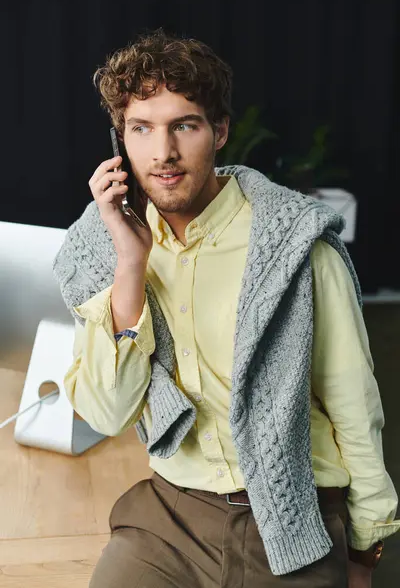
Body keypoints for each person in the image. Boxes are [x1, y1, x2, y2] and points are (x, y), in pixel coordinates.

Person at [53, 29, 399, 588]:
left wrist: (365, 548)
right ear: (120, 141)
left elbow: (354, 400)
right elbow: (105, 413)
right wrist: (130, 266)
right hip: (169, 515)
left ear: (219, 132)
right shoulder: (101, 247)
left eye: (183, 126)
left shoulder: (294, 244)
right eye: (141, 129)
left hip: (290, 516)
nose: (162, 153)